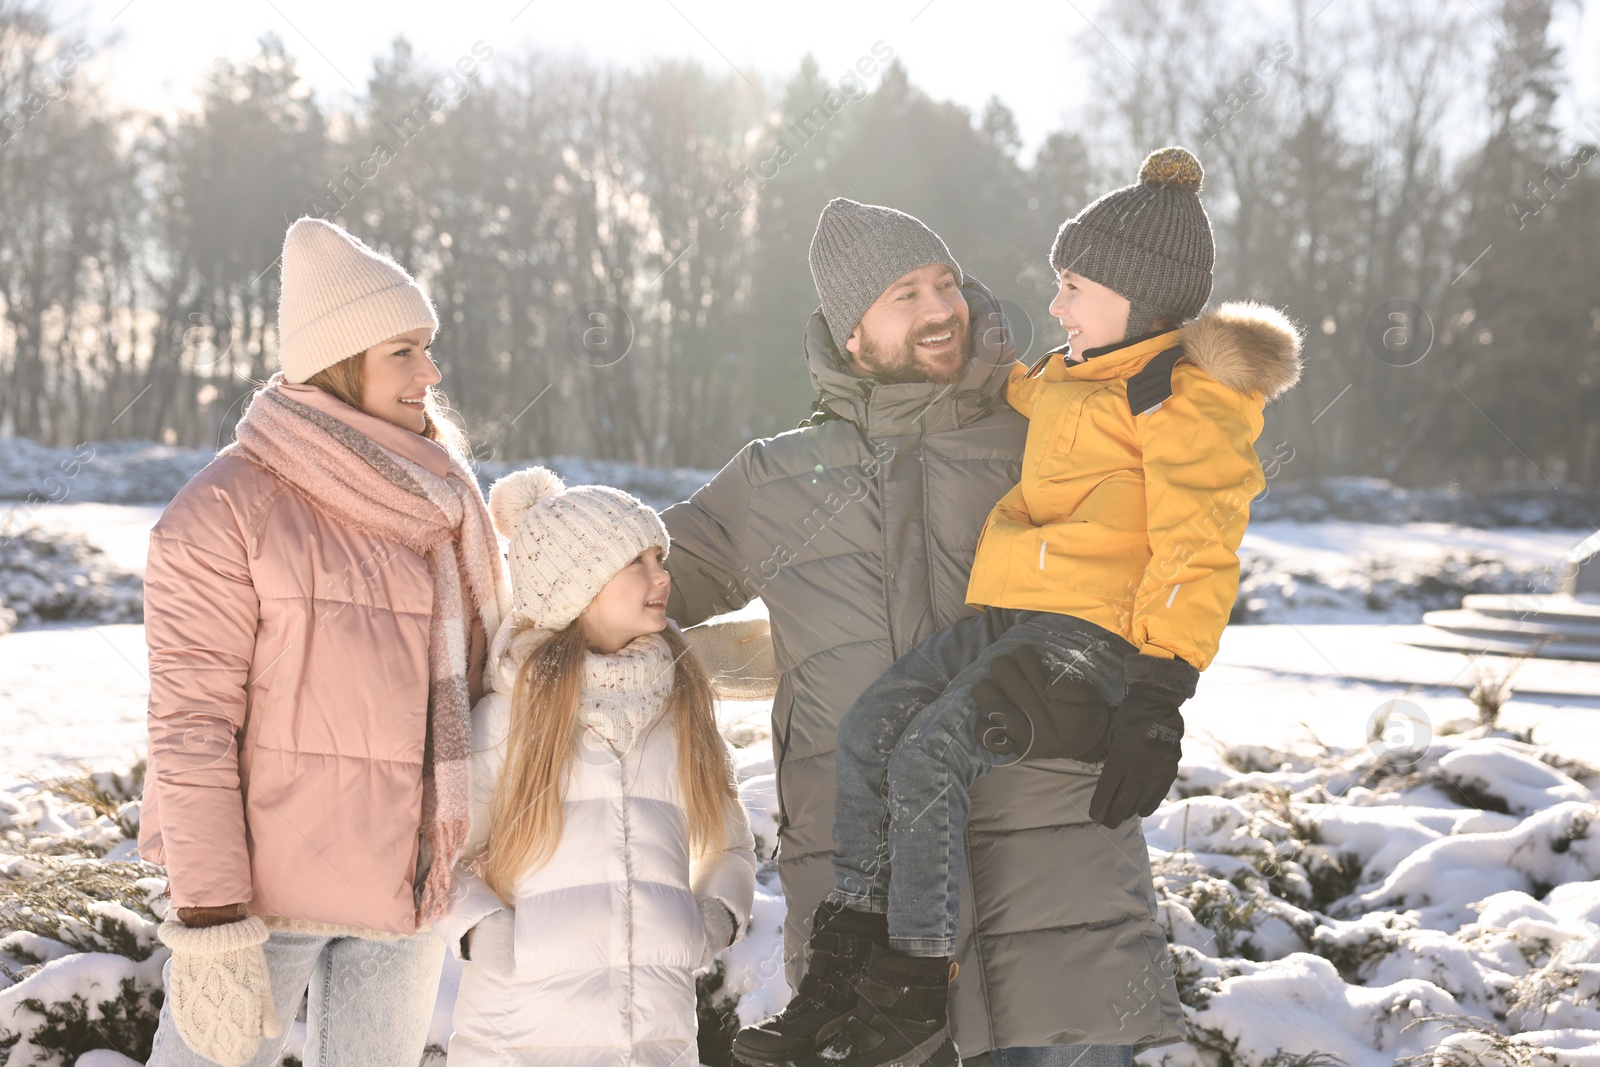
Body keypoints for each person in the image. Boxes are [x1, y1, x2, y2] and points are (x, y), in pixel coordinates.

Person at [764, 147, 1304, 1066]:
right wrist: (970, 352)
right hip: (1013, 615)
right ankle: (840, 970)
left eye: (1074, 285)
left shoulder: (1179, 397)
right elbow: (1009, 388)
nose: (1056, 305)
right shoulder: (1071, 374)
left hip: (1089, 640)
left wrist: (1160, 689)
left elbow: (1199, 546)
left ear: (1136, 297)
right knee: (872, 727)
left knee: (933, 751)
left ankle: (908, 990)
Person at [664, 199, 1185, 1065]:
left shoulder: (1052, 433)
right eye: (905, 293)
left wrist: (1157, 696)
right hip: (869, 963)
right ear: (851, 334)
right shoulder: (773, 480)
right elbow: (627, 577)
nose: (942, 308)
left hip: (1058, 906)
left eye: (947, 282)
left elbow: (1178, 547)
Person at [140, 218, 509, 1067]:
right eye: (405, 352)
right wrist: (208, 919)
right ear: (339, 365)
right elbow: (191, 726)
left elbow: (490, 675)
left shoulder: (443, 501)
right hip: (262, 906)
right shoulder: (227, 510)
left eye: (429, 348)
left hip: (408, 889)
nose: (433, 372)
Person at [436, 467, 757, 1065]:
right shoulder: (509, 719)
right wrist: (487, 933)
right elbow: (438, 860)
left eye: (658, 556)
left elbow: (729, 844)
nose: (661, 575)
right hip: (521, 1038)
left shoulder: (679, 709)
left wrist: (717, 915)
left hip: (657, 1039)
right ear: (573, 587)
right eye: (634, 561)